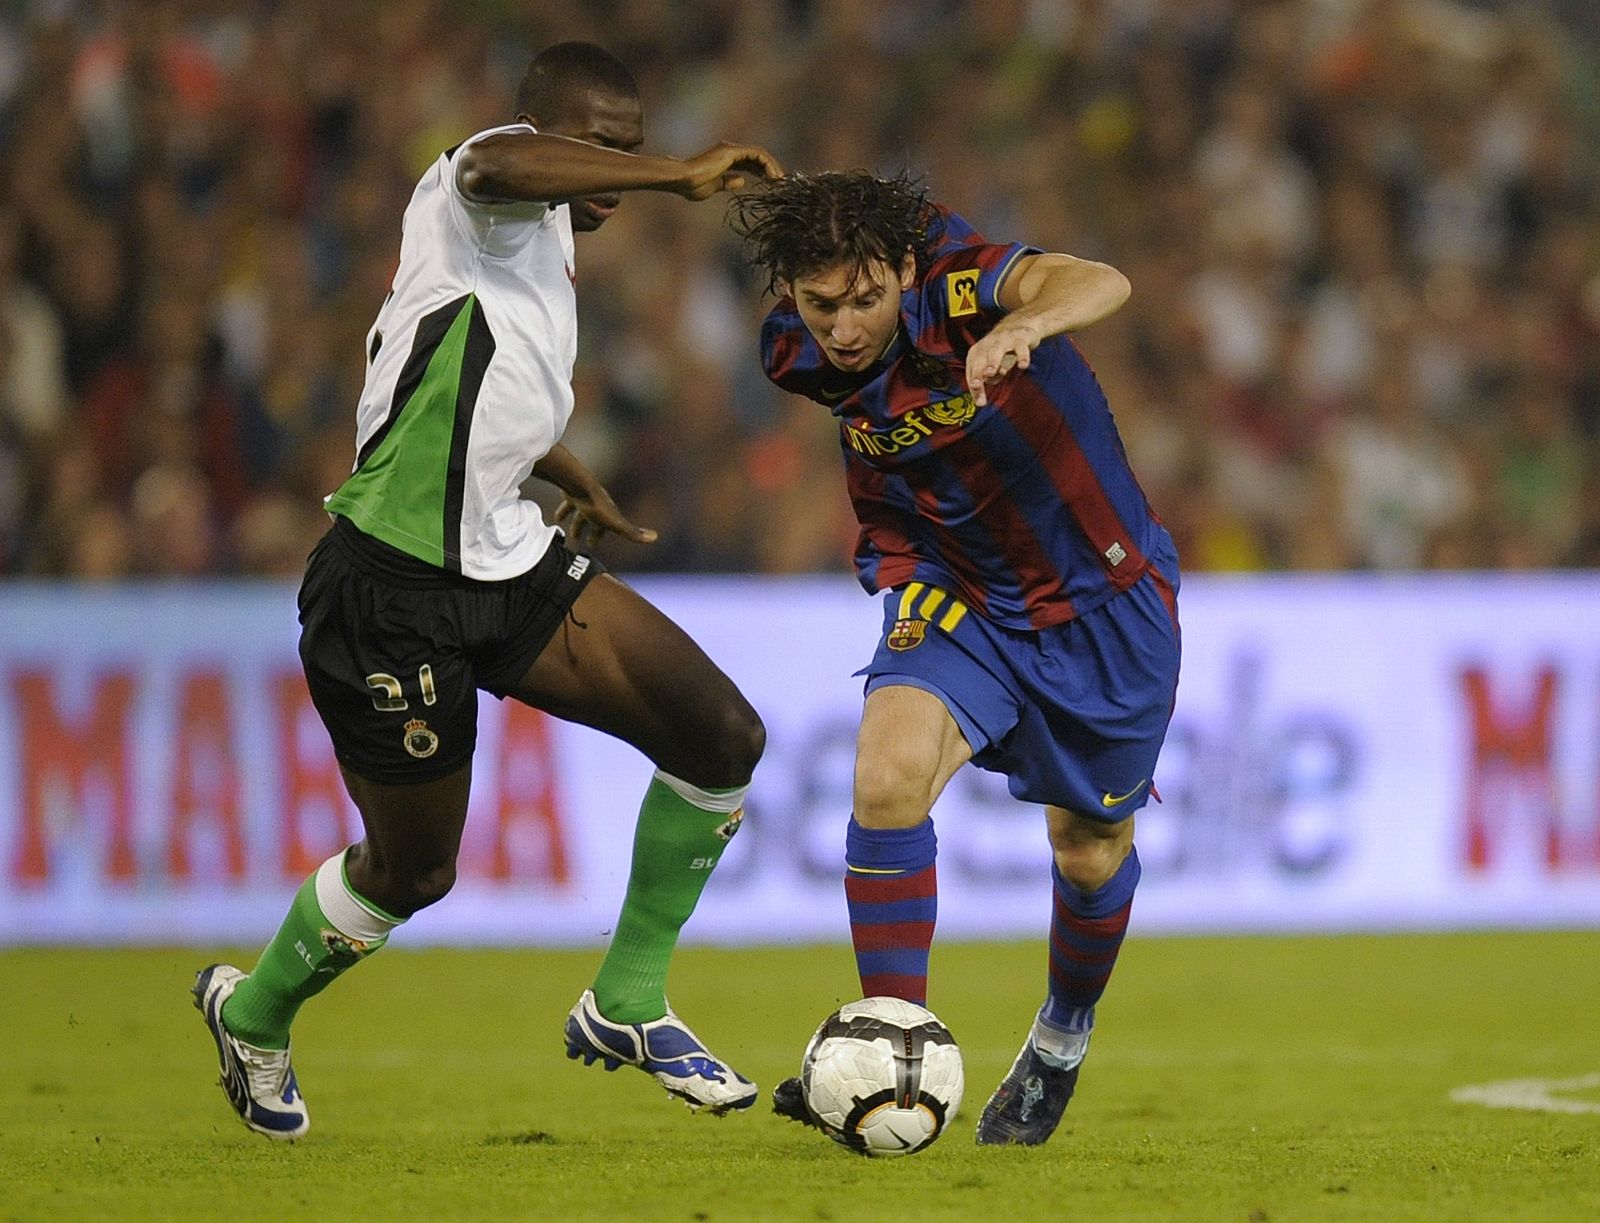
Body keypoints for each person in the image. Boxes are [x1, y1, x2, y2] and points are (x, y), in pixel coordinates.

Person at [192, 41, 782, 1140]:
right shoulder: (483, 182)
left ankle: (627, 998)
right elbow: (498, 167)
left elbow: (456, 382)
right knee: (413, 869)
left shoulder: (545, 237)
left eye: (630, 148)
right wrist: (675, 176)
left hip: (505, 559)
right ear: (543, 128)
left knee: (722, 737)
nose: (612, 167)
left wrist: (564, 468)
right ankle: (256, 1011)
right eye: (596, 146)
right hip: (387, 586)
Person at [732, 172, 1180, 1146]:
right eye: (821, 305)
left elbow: (1098, 278)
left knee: (1087, 850)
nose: (843, 328)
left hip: (1101, 599)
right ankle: (891, 1052)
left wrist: (1030, 325)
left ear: (901, 268)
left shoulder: (957, 287)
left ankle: (1059, 1040)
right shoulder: (791, 351)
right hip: (953, 584)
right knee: (886, 780)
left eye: (863, 300)